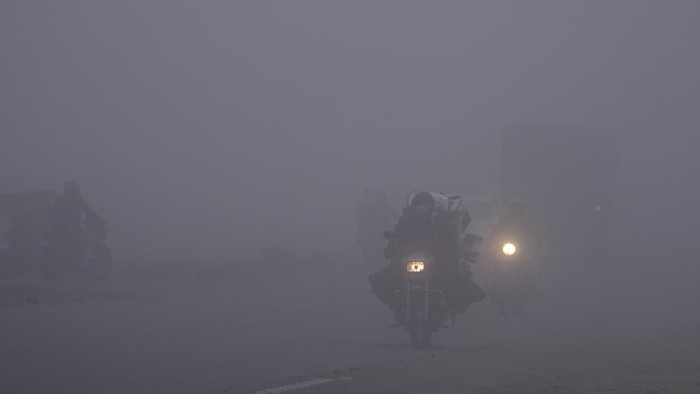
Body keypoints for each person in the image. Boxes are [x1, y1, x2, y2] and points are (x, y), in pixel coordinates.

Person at [370, 191, 485, 327]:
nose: (421, 208)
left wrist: (450, 251)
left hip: (435, 259)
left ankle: (445, 312)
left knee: (450, 277)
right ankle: (397, 311)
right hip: (408, 256)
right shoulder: (406, 218)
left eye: (425, 205)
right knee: (389, 277)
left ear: (431, 207)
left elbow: (450, 240)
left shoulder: (441, 220)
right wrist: (390, 248)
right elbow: (397, 234)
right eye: (419, 205)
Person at [48, 181, 104, 264]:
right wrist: (99, 219)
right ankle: (88, 260)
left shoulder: (59, 200)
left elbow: (88, 211)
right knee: (93, 236)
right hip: (71, 231)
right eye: (73, 191)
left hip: (59, 232)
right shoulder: (77, 200)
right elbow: (88, 211)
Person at [356, 189, 396, 272]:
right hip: (375, 234)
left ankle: (375, 263)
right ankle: (373, 264)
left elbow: (394, 216)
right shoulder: (373, 208)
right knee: (375, 249)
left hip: (378, 234)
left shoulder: (381, 207)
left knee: (378, 249)